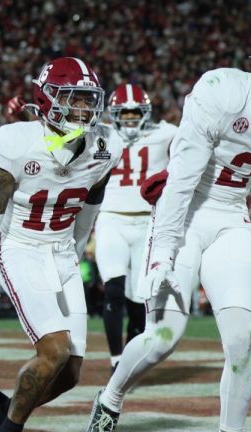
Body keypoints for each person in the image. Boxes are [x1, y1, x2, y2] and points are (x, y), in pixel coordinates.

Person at [86, 31, 251, 432]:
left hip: (231, 216)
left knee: (241, 342)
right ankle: (110, 399)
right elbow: (182, 178)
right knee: (163, 337)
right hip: (184, 212)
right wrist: (163, 252)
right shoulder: (223, 92)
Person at [0, 56, 123, 432]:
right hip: (21, 247)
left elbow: (89, 210)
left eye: (88, 99)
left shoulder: (106, 145)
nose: (83, 109)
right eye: (72, 98)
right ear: (47, 98)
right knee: (54, 351)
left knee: (70, 374)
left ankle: (1, 407)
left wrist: (74, 254)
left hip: (62, 251)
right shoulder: (17, 143)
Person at [96, 83, 175, 374]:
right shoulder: (101, 134)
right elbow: (58, 139)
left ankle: (129, 359)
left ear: (146, 113)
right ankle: (116, 359)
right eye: (124, 114)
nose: (130, 119)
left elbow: (199, 140)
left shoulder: (165, 133)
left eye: (135, 114)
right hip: (111, 219)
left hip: (147, 223)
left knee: (141, 298)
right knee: (113, 290)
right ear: (114, 114)